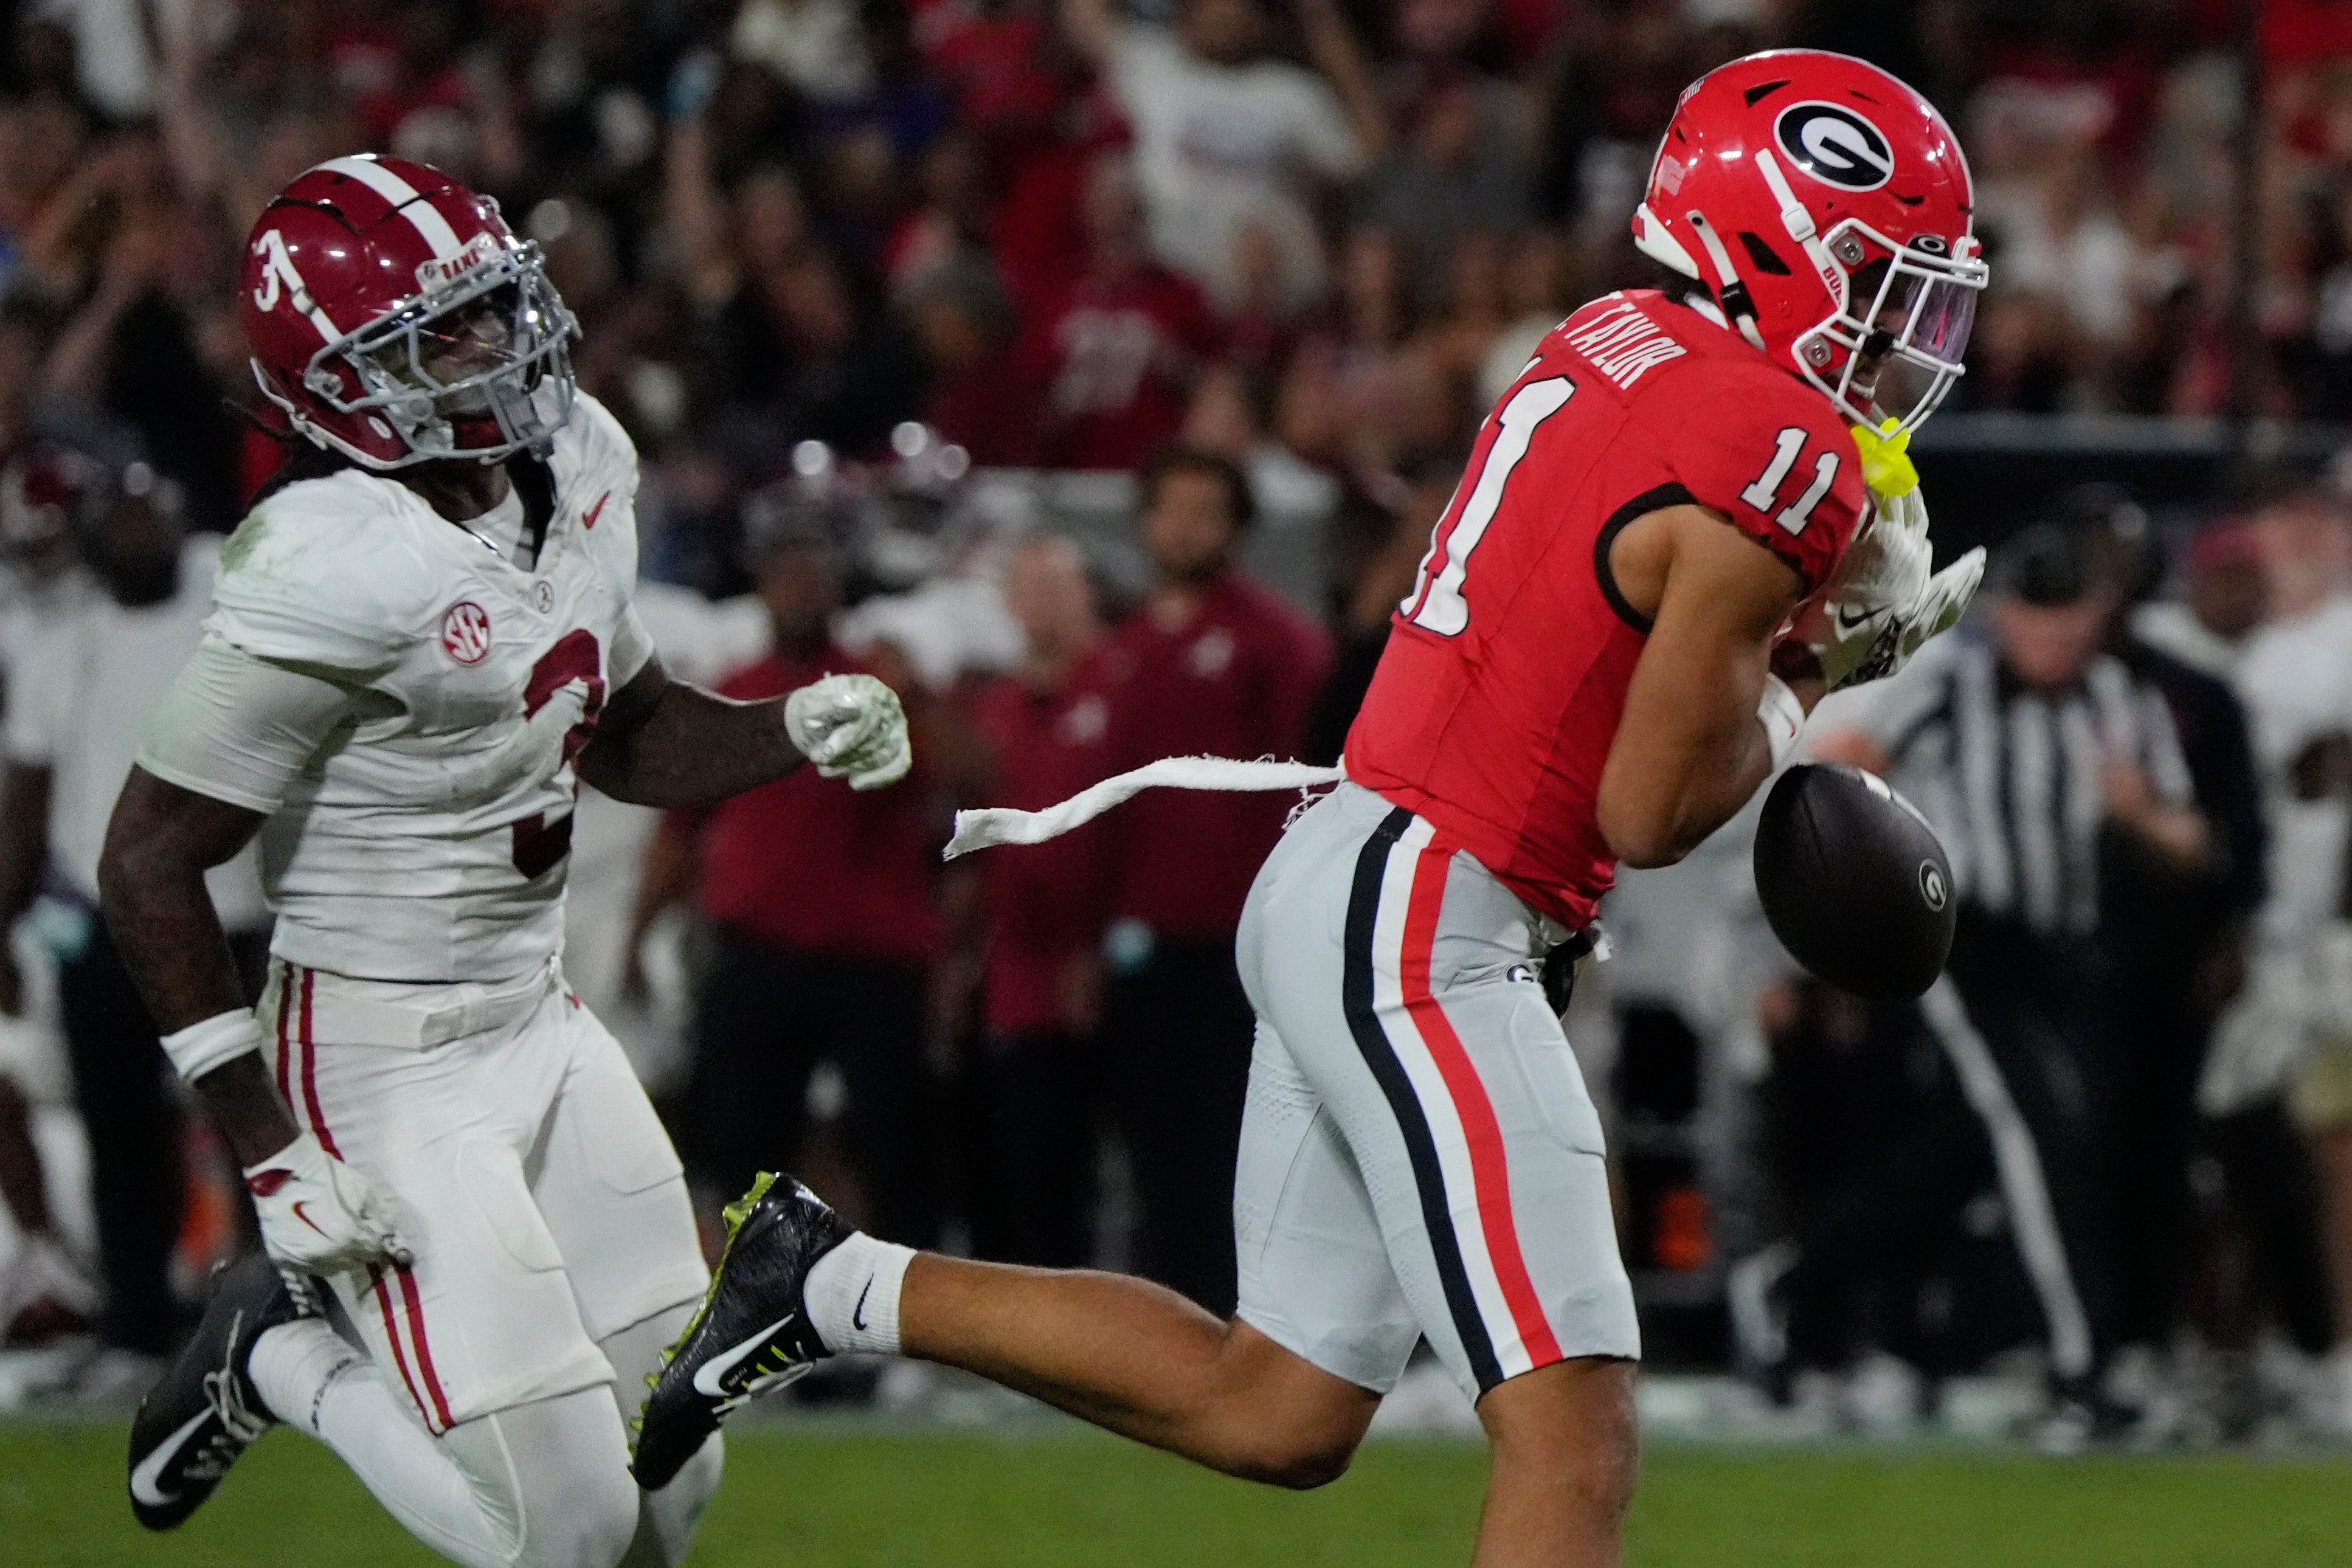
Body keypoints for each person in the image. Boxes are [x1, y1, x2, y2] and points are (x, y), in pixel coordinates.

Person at [637, 50, 1988, 1566]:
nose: (1902, 329)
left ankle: (822, 1281)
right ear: (1766, 236)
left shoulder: (1617, 333)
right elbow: (1651, 804)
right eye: (1880, 277)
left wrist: (1777, 646)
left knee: (1276, 1404)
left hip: (1354, 868)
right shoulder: (1778, 442)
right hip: (1436, 917)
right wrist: (1815, 681)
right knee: (1576, 1421)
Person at [109, 156, 911, 1568]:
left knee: (673, 1472)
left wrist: (793, 723)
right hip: (372, 1052)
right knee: (566, 1535)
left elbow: (628, 731)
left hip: (534, 1012)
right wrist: (269, 1150)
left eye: (494, 303)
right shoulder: (327, 556)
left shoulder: (582, 451)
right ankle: (277, 1361)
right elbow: (148, 863)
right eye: (447, 329)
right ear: (339, 384)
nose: (501, 344)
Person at [1810, 524, 2210, 1437]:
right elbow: (1837, 768)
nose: (2058, 642)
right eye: (2042, 621)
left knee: (1980, 1149)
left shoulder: (2116, 695)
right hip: (1961, 936)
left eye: (2075, 623)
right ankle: (2083, 1364)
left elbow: (2191, 839)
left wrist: (2139, 815)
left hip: (2062, 953)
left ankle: (1802, 1281)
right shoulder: (1947, 680)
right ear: (2008, 616)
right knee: (2044, 1134)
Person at [0, 444, 267, 1399]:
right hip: (105, 918)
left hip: (230, 913)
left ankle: (275, 1326)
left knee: (252, 1127)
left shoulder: (225, 597)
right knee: (123, 1131)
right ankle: (137, 1326)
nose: (138, 534)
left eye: (151, 516)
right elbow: (28, 797)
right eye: (121, 520)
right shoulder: (60, 640)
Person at [631, 502, 946, 1248]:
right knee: (741, 1148)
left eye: (815, 573)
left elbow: (958, 787)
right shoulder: (735, 689)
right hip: (757, 955)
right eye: (787, 573)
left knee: (892, 1145)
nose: (802, 588)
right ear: (763, 586)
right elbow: (681, 828)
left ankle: (906, 1325)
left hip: (873, 959)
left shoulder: (881, 686)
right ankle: (753, 1313)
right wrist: (636, 935)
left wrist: (919, 698)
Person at [1098, 445, 1331, 1314]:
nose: (1186, 528)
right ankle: (1171, 1320)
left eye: (1206, 510)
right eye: (1172, 508)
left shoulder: (1274, 642)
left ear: (1235, 527)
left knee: (1245, 1139)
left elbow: (1303, 788)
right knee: (1156, 1144)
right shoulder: (1121, 645)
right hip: (1141, 934)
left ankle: (1254, 1316)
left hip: (1240, 940)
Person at [965, 535, 1119, 1267]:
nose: (1044, 602)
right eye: (1029, 586)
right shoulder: (994, 707)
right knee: (1030, 1165)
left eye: (1059, 584)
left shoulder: (1124, 689)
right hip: (1017, 975)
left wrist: (1099, 943)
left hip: (1120, 964)